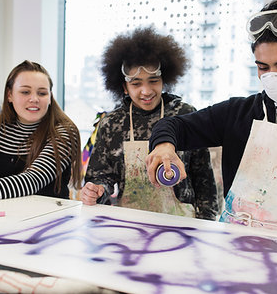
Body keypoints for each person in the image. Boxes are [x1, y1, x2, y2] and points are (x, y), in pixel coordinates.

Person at [146, 0, 277, 242]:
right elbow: (173, 125)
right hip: (232, 244)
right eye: (263, 67)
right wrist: (164, 146)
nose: (272, 76)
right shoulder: (239, 113)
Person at [81, 27, 218, 220]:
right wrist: (96, 190)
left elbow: (204, 181)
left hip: (182, 225)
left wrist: (208, 225)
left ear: (164, 80)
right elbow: (100, 176)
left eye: (153, 81)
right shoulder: (111, 123)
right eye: (136, 84)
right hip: (129, 223)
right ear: (125, 88)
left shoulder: (184, 115)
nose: (146, 91)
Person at [0, 60, 81, 203]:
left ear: (50, 97)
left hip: (49, 218)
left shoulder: (65, 132)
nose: (34, 99)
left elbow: (32, 181)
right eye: (25, 92)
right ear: (10, 95)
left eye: (42, 93)